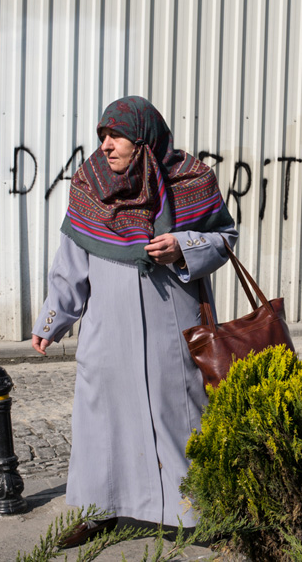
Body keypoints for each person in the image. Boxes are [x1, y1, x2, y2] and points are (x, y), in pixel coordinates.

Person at [31, 96, 237, 546]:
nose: (106, 145)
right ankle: (98, 512)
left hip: (173, 332)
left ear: (144, 138)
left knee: (179, 417)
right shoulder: (89, 185)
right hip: (108, 335)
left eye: (116, 135)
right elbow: (71, 262)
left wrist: (184, 245)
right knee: (100, 425)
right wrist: (52, 319)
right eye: (102, 135)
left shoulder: (192, 179)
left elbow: (225, 238)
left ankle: (194, 512)